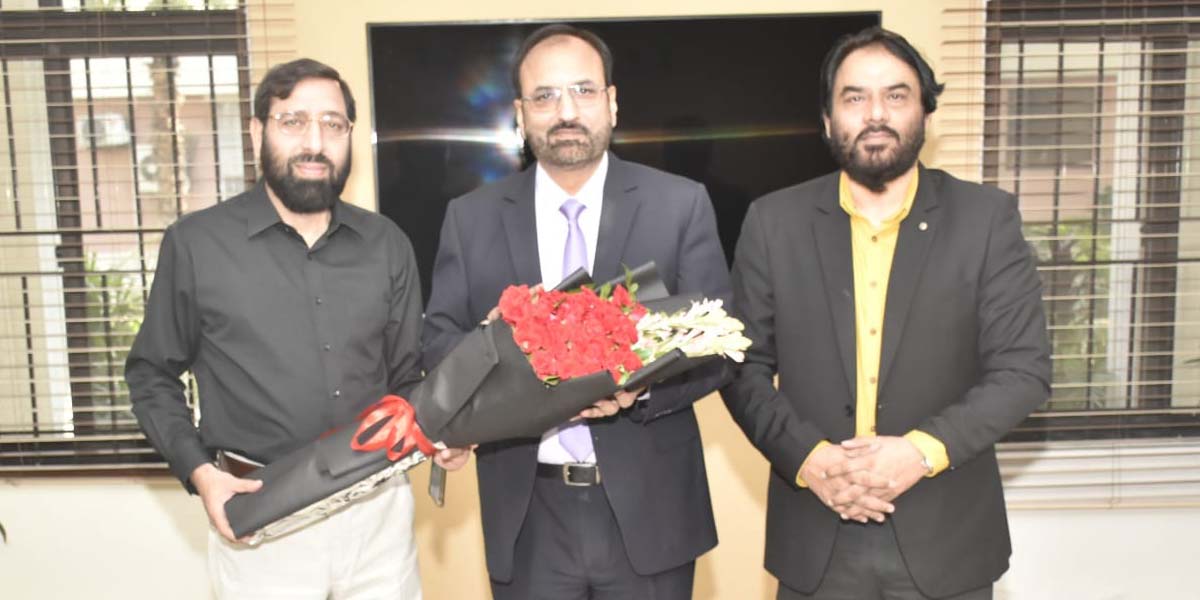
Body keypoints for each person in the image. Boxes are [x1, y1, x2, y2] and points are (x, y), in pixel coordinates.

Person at [720, 27, 1052, 600]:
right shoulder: (773, 224)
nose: (876, 113)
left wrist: (918, 453)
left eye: (896, 95)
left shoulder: (986, 219)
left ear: (925, 111)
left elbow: (1023, 373)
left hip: (947, 536)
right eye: (855, 97)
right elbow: (739, 367)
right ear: (827, 119)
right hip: (816, 532)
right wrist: (812, 460)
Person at [421, 23, 730, 600]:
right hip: (528, 511)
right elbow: (437, 339)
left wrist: (640, 393)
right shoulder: (471, 217)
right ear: (519, 114)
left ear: (612, 103)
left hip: (652, 512)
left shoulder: (679, 204)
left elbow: (717, 349)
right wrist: (488, 351)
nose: (565, 110)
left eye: (584, 91)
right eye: (544, 96)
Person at [125, 58, 453, 598]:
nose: (315, 141)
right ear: (258, 131)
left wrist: (443, 428)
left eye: (332, 123)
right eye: (293, 121)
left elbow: (406, 379)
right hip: (261, 511)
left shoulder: (387, 242)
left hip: (378, 510)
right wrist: (202, 473)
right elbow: (150, 374)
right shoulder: (197, 243)